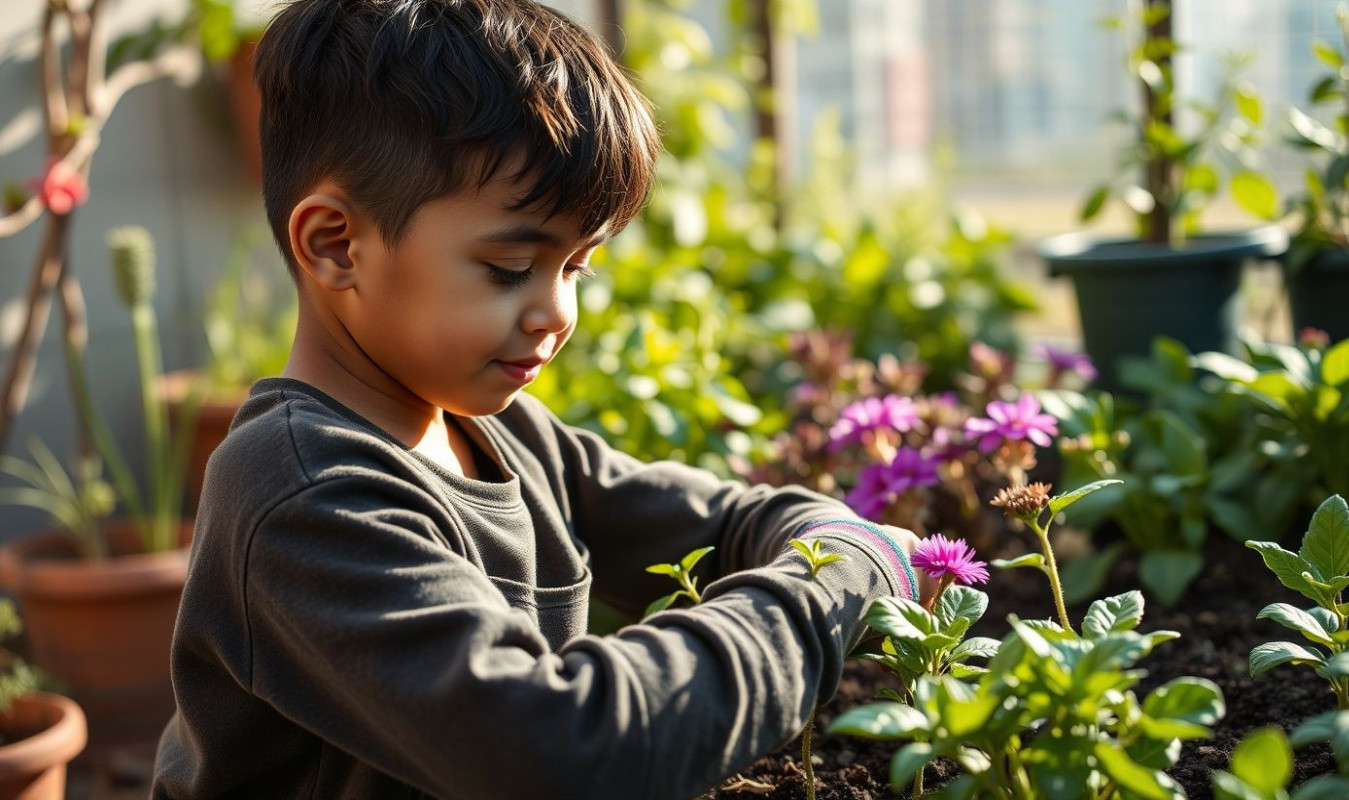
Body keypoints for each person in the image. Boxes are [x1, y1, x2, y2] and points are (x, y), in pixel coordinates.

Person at [152, 1, 934, 797]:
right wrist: (832, 591)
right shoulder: (305, 496)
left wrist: (832, 534)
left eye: (577, 269)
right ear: (335, 245)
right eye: (509, 267)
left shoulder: (500, 431)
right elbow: (565, 747)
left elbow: (728, 522)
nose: (558, 313)